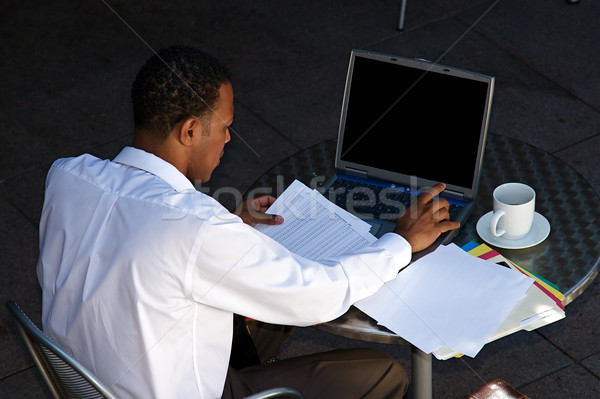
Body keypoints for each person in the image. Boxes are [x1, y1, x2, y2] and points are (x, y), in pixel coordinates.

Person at [37, 45, 459, 399]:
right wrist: (402, 241)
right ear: (188, 132)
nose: (227, 139)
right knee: (384, 373)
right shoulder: (194, 228)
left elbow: (133, 240)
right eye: (224, 127)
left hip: (94, 378)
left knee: (258, 310)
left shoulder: (67, 175)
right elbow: (318, 296)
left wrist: (231, 224)